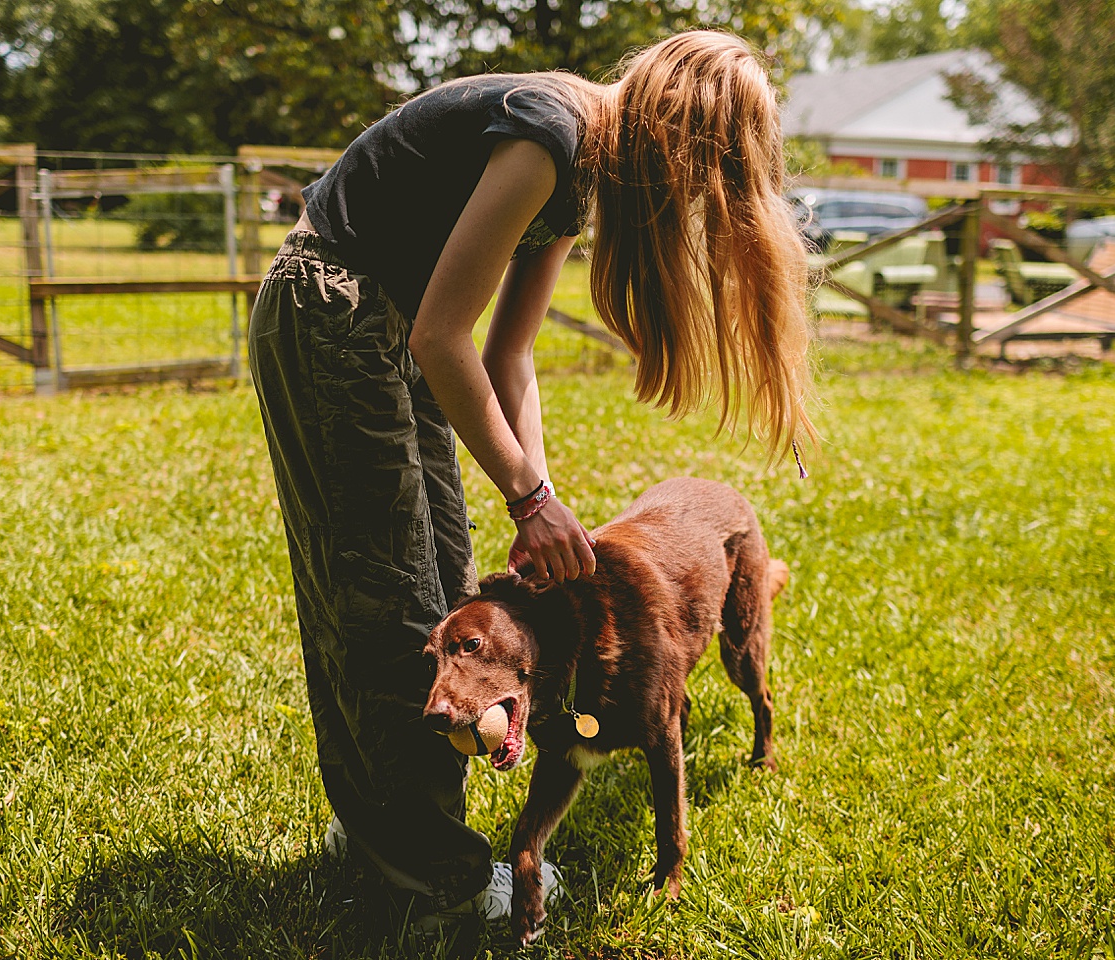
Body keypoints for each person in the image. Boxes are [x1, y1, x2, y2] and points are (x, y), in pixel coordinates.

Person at [248, 28, 815, 928]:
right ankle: (428, 876)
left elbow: (509, 352)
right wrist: (527, 497)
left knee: (440, 593)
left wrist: (541, 503)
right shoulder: (549, 137)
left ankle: (387, 833)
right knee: (385, 598)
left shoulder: (584, 169)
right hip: (334, 314)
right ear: (677, 141)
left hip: (385, 331)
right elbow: (444, 337)